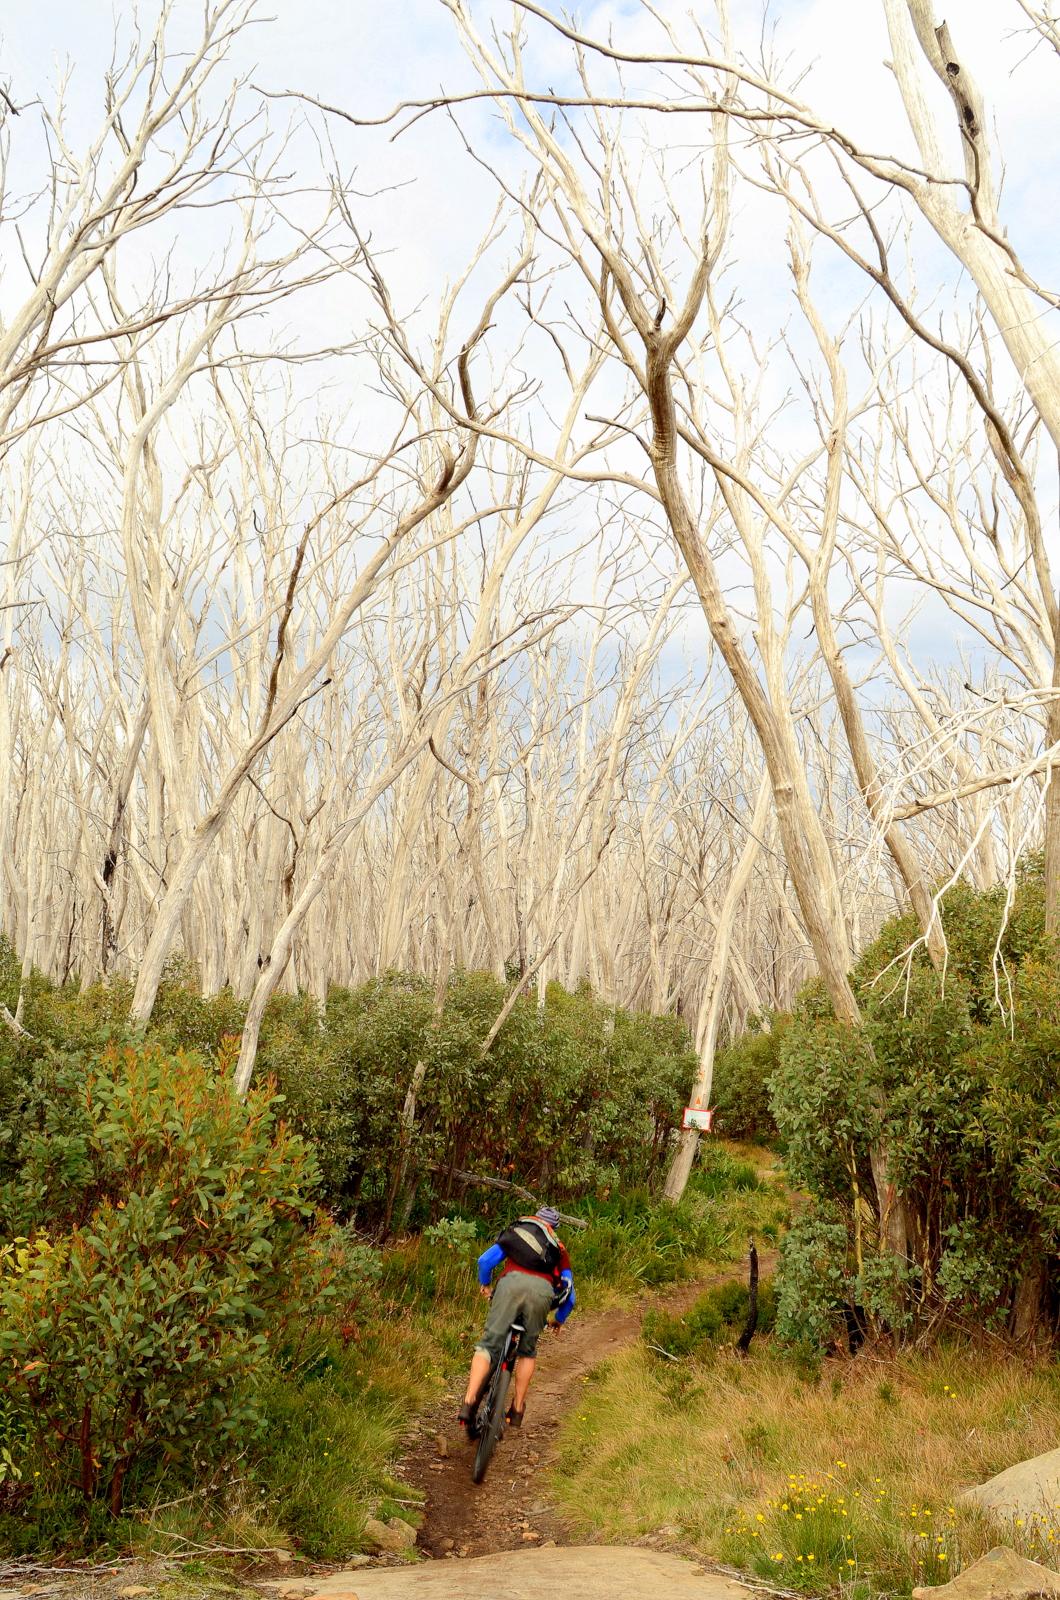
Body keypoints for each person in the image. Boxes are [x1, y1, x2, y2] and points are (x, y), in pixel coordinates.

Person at [458, 1205, 576, 1433]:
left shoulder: (516, 1232)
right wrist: (559, 1319)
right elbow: (570, 1295)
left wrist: (485, 1283)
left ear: (533, 1220)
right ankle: (517, 1408)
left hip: (509, 1286)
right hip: (541, 1294)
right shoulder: (559, 1250)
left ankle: (469, 1401)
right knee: (527, 1352)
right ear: (554, 1228)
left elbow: (484, 1261)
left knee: (488, 1345)